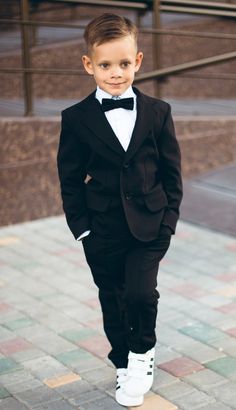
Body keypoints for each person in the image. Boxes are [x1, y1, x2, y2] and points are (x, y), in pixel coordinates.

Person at [57, 13, 183, 407]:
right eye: (106, 65)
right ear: (89, 65)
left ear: (139, 61)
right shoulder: (75, 119)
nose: (116, 73)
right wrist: (83, 231)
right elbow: (70, 180)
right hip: (103, 230)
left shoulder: (157, 112)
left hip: (150, 225)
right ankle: (122, 361)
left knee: (141, 294)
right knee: (112, 297)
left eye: (124, 64)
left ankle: (143, 353)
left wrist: (169, 222)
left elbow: (171, 172)